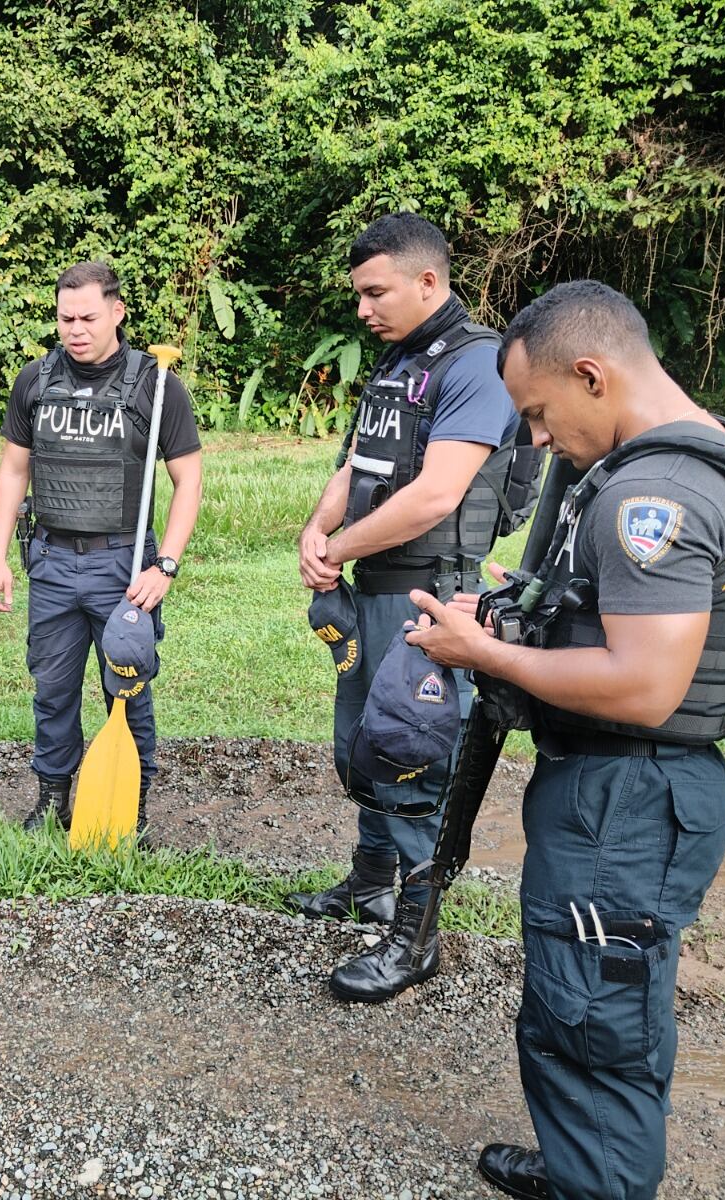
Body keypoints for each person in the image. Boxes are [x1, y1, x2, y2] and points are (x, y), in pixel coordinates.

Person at [406, 281, 725, 1200]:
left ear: (590, 374)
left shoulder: (652, 495)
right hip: (635, 794)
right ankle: (587, 1166)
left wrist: (482, 652)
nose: (535, 438)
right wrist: (528, 612)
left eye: (538, 412)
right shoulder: (710, 452)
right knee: (598, 999)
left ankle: (599, 1181)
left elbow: (645, 685)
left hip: (626, 801)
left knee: (591, 1017)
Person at [291, 212, 523, 1002]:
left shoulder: (477, 363)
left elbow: (436, 494)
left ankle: (414, 938)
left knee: (411, 752)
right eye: (358, 294)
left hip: (431, 593)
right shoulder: (396, 364)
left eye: (375, 293)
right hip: (376, 585)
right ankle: (369, 884)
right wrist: (317, 529)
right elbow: (358, 464)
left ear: (428, 281)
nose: (362, 309)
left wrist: (338, 548)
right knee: (370, 739)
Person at [0, 261, 203, 839]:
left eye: (87, 318)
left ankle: (129, 806)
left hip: (123, 566)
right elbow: (13, 472)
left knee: (127, 687)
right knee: (52, 690)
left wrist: (166, 565)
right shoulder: (35, 381)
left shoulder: (156, 383)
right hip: (51, 561)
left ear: (116, 312)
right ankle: (53, 800)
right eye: (65, 319)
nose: (75, 330)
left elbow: (189, 480)